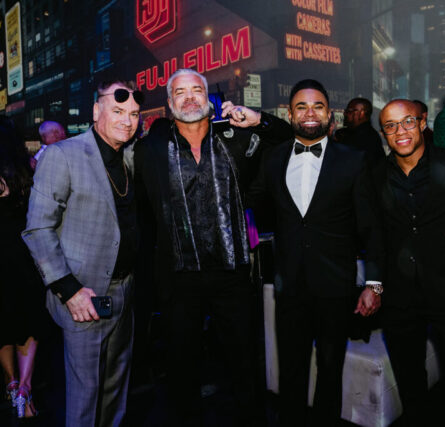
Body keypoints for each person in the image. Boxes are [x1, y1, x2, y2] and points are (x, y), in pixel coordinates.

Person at [134, 68, 292, 426]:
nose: (189, 97)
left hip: (231, 273)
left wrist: (259, 120)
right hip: (177, 277)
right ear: (169, 103)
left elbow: (286, 139)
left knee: (243, 363)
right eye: (180, 92)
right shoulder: (151, 149)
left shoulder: (236, 138)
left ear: (209, 98)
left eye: (196, 90)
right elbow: (141, 212)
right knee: (181, 367)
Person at [247, 79, 384, 427]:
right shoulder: (272, 158)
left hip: (335, 287)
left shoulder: (353, 160)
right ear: (290, 114)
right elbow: (252, 200)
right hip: (289, 285)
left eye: (318, 106)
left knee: (330, 368)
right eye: (302, 106)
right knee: (290, 369)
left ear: (329, 115)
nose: (310, 113)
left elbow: (371, 227)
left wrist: (375, 284)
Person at [22, 80, 142, 427]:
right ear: (96, 110)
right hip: (83, 295)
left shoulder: (130, 156)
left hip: (125, 292)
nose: (127, 120)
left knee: (115, 391)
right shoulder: (64, 155)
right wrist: (69, 290)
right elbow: (38, 229)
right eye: (118, 111)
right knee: (85, 396)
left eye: (134, 114)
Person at [374, 99, 445, 426]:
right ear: (383, 133)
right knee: (410, 381)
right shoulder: (374, 175)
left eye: (407, 121)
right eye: (390, 125)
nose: (400, 131)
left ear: (421, 122)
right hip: (399, 296)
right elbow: (373, 234)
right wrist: (375, 286)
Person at [0, 118, 46, 419]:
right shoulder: (28, 168)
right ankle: (25, 393)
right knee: (28, 323)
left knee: (3, 323)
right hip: (24, 253)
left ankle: (11, 382)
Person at [337, 97, 386, 161]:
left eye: (349, 111)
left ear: (361, 113)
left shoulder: (366, 137)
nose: (345, 114)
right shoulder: (348, 133)